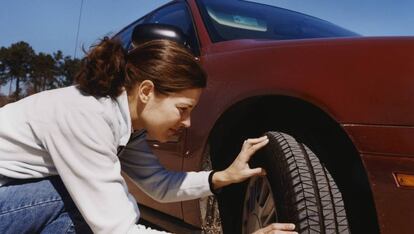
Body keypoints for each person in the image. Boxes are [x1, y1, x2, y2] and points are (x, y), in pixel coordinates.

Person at [0, 38, 297, 234]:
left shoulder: (125, 125)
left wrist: (221, 177)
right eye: (182, 108)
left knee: (85, 210)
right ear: (146, 92)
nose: (188, 122)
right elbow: (118, 228)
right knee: (82, 199)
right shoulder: (86, 116)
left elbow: (159, 185)